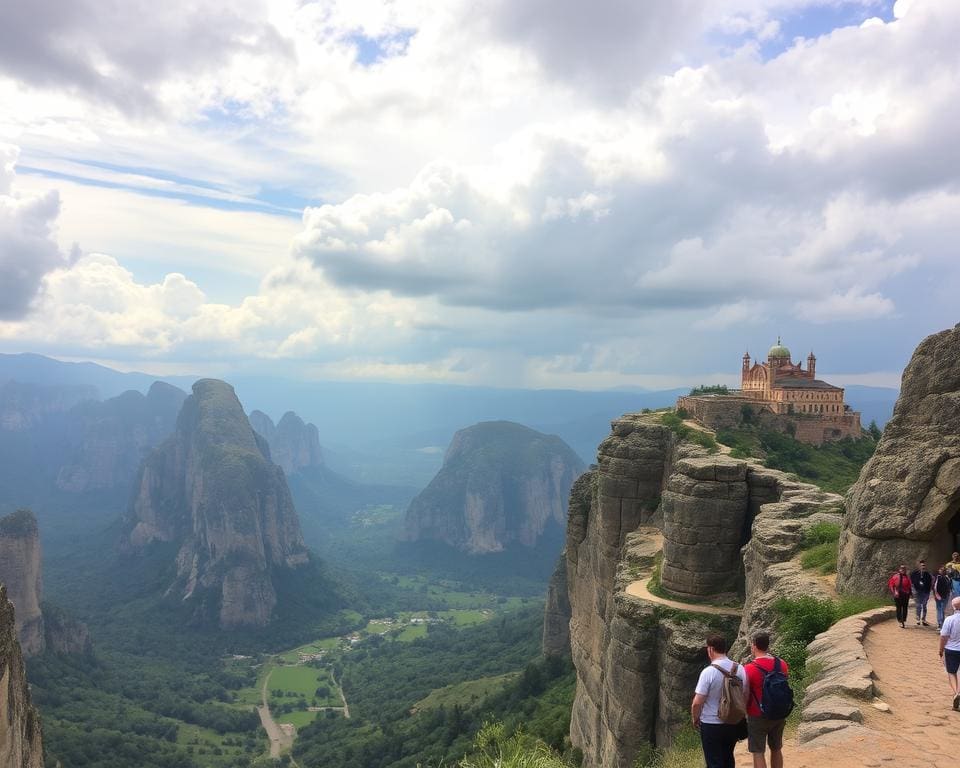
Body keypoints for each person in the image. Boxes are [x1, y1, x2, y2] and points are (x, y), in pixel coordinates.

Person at [691, 634, 747, 768]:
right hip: (733, 722)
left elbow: (697, 702)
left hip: (711, 724)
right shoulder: (739, 669)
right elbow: (745, 694)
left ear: (710, 649)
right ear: (725, 649)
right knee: (728, 758)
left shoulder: (708, 672)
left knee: (714, 762)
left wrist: (695, 718)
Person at [744, 632, 789, 768]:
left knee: (758, 752)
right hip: (779, 712)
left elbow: (745, 693)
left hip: (757, 713)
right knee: (776, 748)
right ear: (767, 645)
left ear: (754, 646)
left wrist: (744, 710)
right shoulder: (781, 664)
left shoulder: (749, 668)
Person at [938, 596, 960, 710]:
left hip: (951, 649)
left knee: (951, 673)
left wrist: (941, 650)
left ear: (953, 607)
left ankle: (956, 692)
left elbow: (943, 637)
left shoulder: (949, 620)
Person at [910, 560, 933, 626]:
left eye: (924, 565)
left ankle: (923, 619)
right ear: (919, 566)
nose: (923, 567)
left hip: (925, 592)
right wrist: (913, 592)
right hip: (917, 592)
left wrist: (928, 593)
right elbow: (911, 583)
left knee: (924, 606)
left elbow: (930, 584)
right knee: (918, 606)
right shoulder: (914, 574)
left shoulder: (928, 574)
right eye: (922, 565)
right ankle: (918, 619)